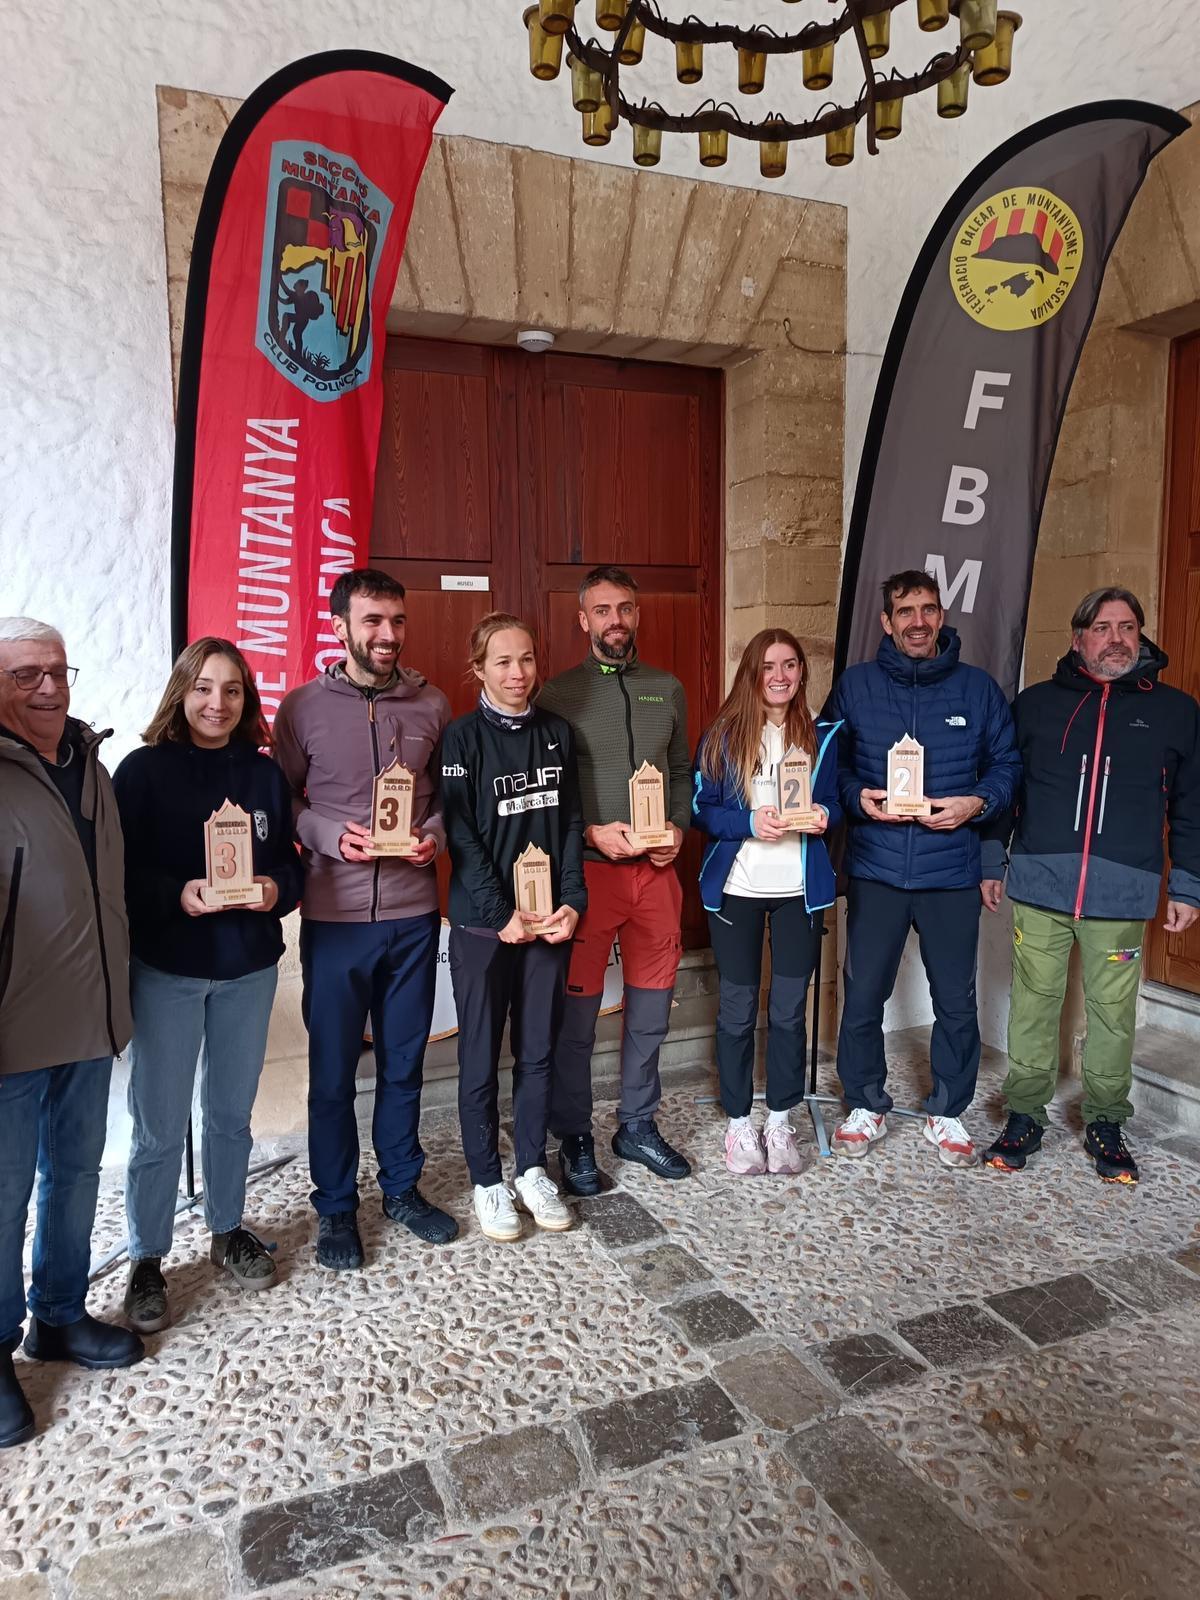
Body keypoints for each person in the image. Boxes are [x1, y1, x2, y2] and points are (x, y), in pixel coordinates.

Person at [111, 639, 303, 1333]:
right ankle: (146, 1257)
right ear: (181, 693)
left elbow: (292, 867)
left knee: (229, 1114)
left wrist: (274, 889)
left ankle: (226, 1229)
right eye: (203, 688)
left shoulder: (263, 776)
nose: (216, 703)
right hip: (168, 974)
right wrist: (178, 894)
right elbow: (119, 877)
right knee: (159, 1125)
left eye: (231, 690)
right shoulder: (139, 773)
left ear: (246, 699)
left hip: (247, 972)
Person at [982, 587, 1200, 1183]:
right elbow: (1006, 790)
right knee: (1033, 1006)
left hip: (1122, 891)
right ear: (1079, 638)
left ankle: (1106, 1119)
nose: (1116, 638)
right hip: (1040, 885)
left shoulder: (1176, 712)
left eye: (1127, 627)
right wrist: (987, 860)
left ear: (1141, 635)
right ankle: (1024, 1113)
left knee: (1112, 1012)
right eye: (1102, 628)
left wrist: (1187, 884)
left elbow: (1190, 805)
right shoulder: (1036, 705)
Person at [273, 568, 455, 1269]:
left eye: (397, 621)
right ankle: (337, 1209)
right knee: (332, 1075)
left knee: (406, 1064)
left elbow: (444, 799)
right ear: (341, 626)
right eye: (373, 621)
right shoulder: (302, 708)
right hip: (336, 919)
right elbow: (282, 795)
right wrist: (324, 834)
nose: (387, 635)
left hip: (412, 917)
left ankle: (402, 1190)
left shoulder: (432, 704)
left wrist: (432, 837)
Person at [0, 618, 143, 1450]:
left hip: (89, 1019)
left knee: (78, 1174)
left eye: (58, 671)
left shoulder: (88, 764)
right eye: (26, 675)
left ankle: (55, 1316)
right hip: (13, 1031)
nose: (50, 687)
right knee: (3, 1195)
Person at [823, 570, 1020, 1168]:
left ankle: (950, 1111)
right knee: (862, 997)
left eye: (928, 610)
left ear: (941, 615)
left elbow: (1008, 767)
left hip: (950, 874)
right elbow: (830, 769)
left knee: (956, 1001)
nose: (917, 621)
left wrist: (975, 804)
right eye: (905, 611)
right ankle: (864, 1103)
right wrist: (859, 800)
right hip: (877, 870)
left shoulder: (978, 690)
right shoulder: (854, 687)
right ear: (886, 621)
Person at [538, 565, 692, 1192]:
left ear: (637, 614)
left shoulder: (667, 687)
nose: (615, 621)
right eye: (602, 610)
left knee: (650, 1012)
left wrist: (677, 830)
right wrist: (591, 834)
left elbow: (680, 771)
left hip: (656, 877)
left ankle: (637, 1125)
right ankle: (574, 1133)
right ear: (583, 619)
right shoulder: (556, 694)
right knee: (575, 1019)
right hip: (588, 876)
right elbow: (546, 792)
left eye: (624, 609)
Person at [440, 614, 587, 1240]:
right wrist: (500, 914)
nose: (518, 673)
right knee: (479, 1057)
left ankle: (529, 1167)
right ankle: (487, 1181)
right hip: (485, 927)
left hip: (548, 923)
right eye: (502, 662)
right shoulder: (461, 739)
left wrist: (573, 901)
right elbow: (460, 835)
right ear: (478, 668)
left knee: (538, 1053)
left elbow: (574, 825)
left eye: (526, 659)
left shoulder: (557, 733)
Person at [693, 630, 842, 1175]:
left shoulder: (822, 735)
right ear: (751, 672)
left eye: (790, 665)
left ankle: (780, 1120)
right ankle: (738, 1124)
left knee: (787, 1012)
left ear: (802, 672)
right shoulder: (723, 735)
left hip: (799, 895)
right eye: (768, 666)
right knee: (736, 1013)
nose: (779, 676)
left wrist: (827, 815)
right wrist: (749, 821)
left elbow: (837, 800)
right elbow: (701, 809)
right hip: (739, 890)